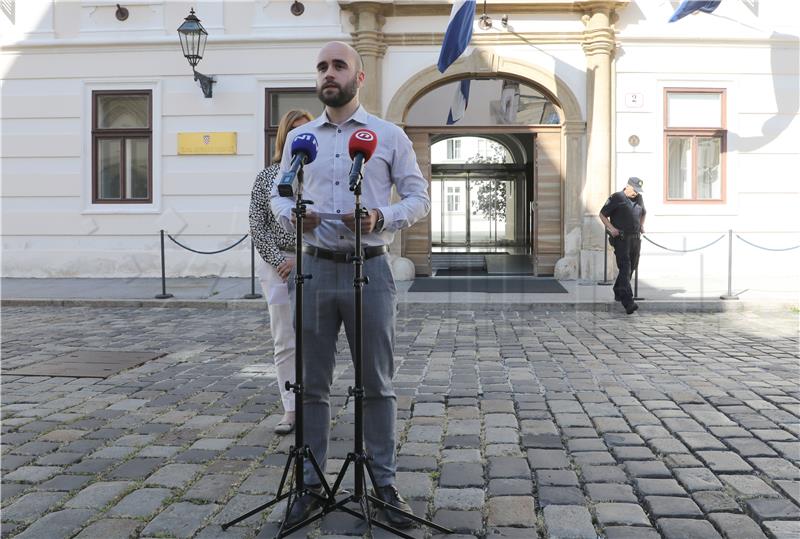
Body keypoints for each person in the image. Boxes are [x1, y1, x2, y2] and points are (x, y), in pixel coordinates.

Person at [271, 41, 430, 528]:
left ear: (359, 78)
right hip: (315, 269)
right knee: (312, 385)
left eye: (339, 66)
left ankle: (383, 484)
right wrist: (299, 217)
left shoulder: (387, 135)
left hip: (371, 269)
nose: (328, 73)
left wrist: (382, 214)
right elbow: (279, 198)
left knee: (377, 384)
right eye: (321, 66)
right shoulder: (303, 140)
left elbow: (420, 197)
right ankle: (311, 485)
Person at [249, 109, 314, 435]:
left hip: (314, 261)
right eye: (295, 134)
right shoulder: (268, 177)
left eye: (307, 133)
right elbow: (258, 226)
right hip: (277, 268)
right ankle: (290, 409)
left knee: (316, 338)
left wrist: (302, 259)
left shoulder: (319, 178)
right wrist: (280, 262)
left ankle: (315, 403)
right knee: (284, 339)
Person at [599, 176, 646, 314]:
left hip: (635, 238)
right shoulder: (617, 197)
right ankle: (628, 302)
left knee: (632, 267)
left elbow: (643, 212)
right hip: (621, 238)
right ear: (628, 186)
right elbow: (602, 214)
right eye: (635, 190)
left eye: (638, 190)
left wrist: (641, 225)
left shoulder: (639, 198)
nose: (636, 193)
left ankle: (618, 290)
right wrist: (611, 228)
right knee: (625, 267)